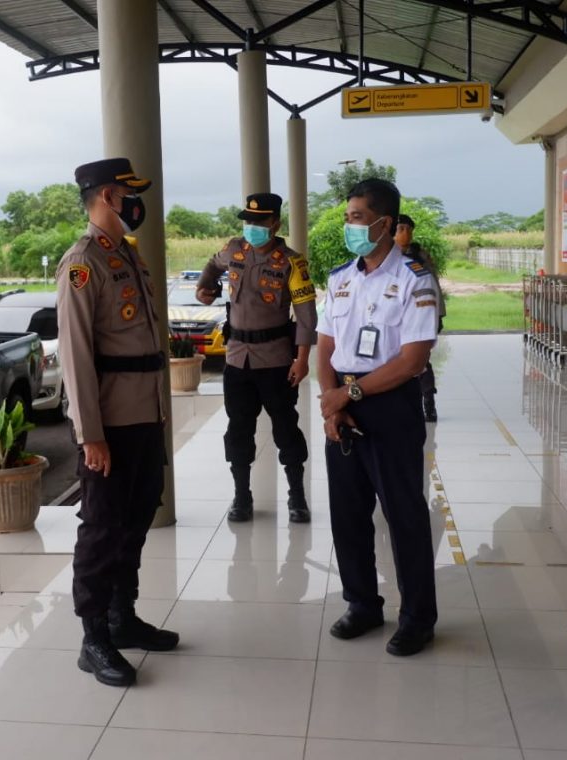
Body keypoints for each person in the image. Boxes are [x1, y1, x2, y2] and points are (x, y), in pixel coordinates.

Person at [57, 157, 179, 688]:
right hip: (109, 424)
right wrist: (91, 435)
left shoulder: (125, 257)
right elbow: (76, 355)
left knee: (135, 519)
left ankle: (121, 617)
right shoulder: (82, 262)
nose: (136, 204)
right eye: (129, 194)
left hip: (143, 416)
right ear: (108, 196)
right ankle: (93, 638)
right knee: (102, 529)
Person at [317, 179, 440, 657]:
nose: (349, 225)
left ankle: (417, 618)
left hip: (389, 403)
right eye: (347, 216)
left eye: (356, 217)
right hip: (343, 401)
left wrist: (348, 393)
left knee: (403, 514)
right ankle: (362, 603)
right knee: (347, 514)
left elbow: (413, 360)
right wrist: (331, 400)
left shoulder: (414, 279)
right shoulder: (341, 277)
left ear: (384, 223)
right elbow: (325, 347)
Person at [195, 193, 318, 524]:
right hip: (237, 360)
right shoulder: (234, 249)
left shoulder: (292, 262)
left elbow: (306, 316)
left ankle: (297, 496)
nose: (252, 227)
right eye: (248, 221)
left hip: (276, 360)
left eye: (260, 222)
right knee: (238, 429)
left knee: (285, 427)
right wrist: (205, 288)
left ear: (275, 223)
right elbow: (212, 265)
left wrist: (302, 359)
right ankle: (241, 496)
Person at [395, 215, 445, 421]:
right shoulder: (387, 255)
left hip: (420, 316)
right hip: (394, 317)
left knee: (421, 360)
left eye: (408, 229)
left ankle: (428, 402)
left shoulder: (419, 256)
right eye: (400, 229)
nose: (405, 233)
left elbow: (433, 287)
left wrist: (438, 314)